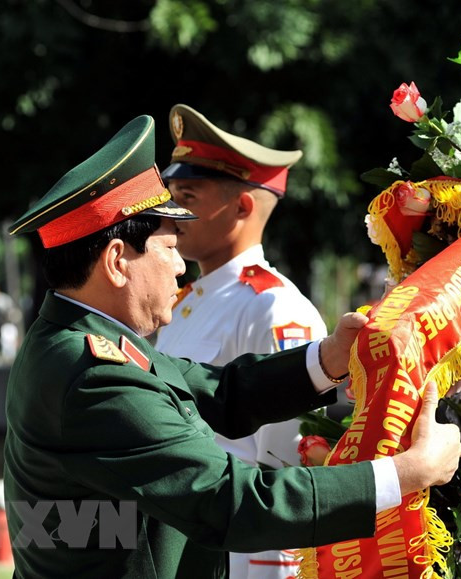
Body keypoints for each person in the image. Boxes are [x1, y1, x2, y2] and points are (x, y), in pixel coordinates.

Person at [3, 114, 461, 578]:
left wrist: (328, 359)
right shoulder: (93, 373)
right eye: (168, 249)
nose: (180, 267)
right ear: (117, 261)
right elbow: (233, 502)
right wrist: (407, 474)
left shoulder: (74, 341)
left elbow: (216, 391)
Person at [153, 104, 327, 578]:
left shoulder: (274, 309)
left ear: (243, 206)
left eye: (187, 195)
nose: (170, 210)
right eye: (170, 193)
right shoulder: (187, 299)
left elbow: (287, 466)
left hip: (242, 558)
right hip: (184, 544)